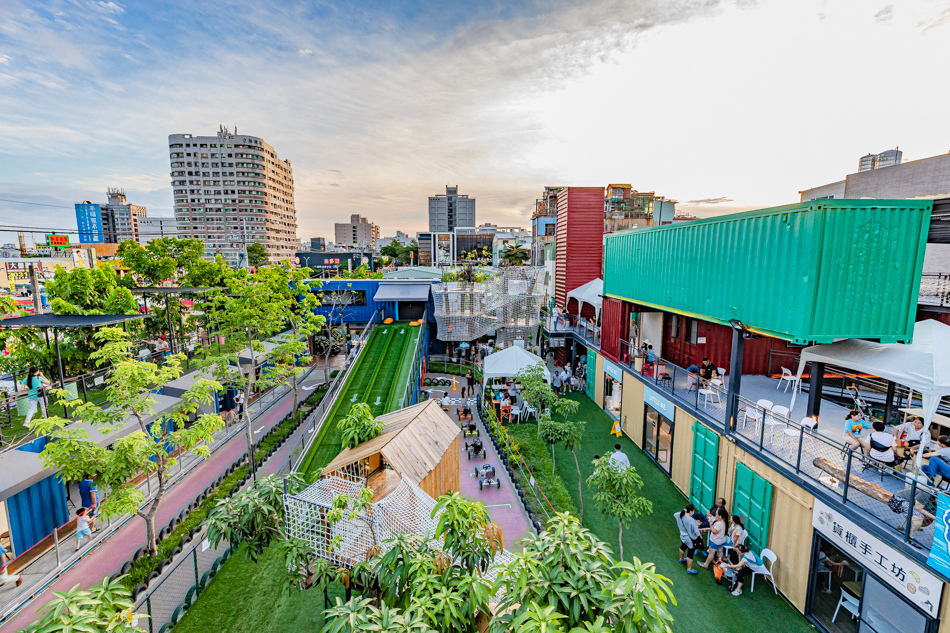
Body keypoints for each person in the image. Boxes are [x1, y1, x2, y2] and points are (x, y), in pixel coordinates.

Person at [675, 504, 702, 575]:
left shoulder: (679, 515)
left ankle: (681, 559)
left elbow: (675, 514)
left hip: (683, 536)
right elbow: (696, 531)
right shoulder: (691, 520)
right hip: (690, 539)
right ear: (691, 512)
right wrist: (700, 536)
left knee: (683, 547)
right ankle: (689, 569)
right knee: (690, 553)